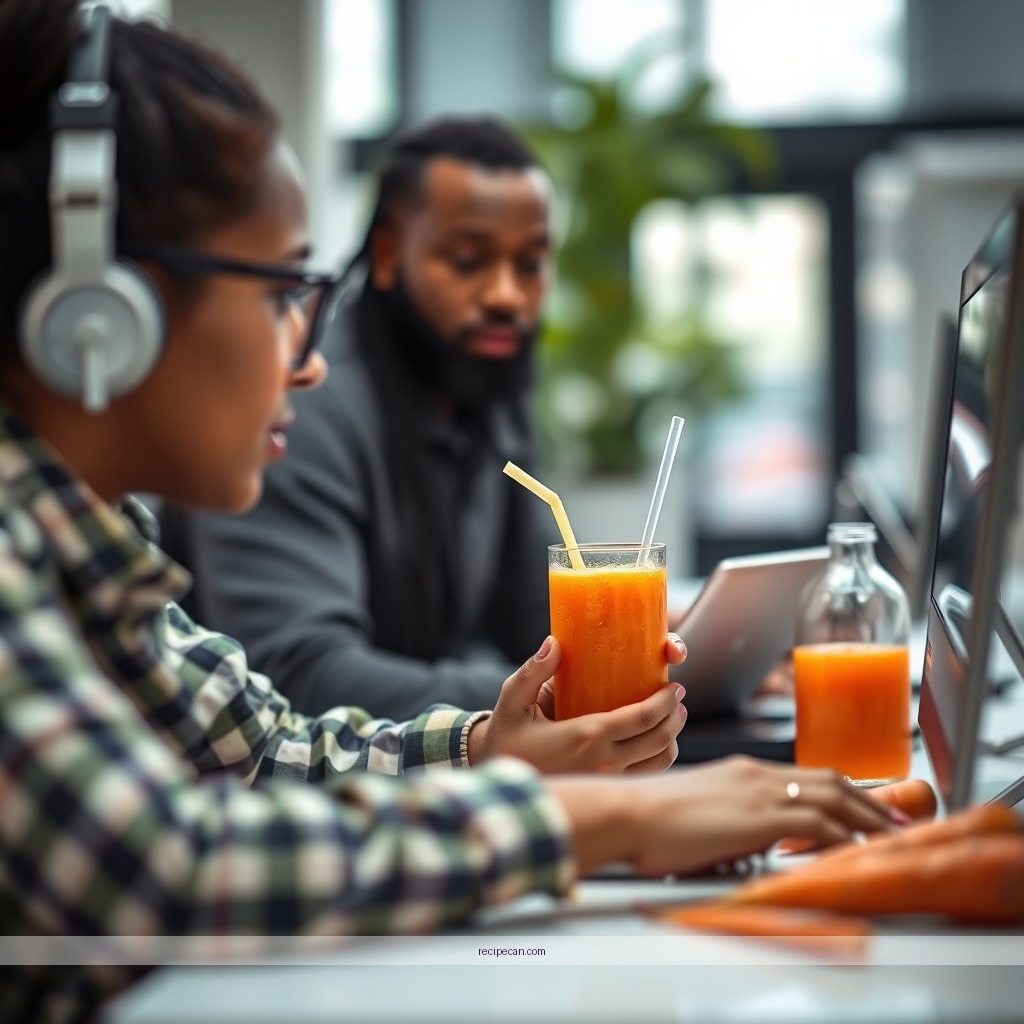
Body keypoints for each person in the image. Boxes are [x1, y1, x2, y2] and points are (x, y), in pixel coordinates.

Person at [0, 5, 901, 1021]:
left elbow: (267, 753)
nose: (307, 354)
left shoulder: (92, 543)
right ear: (101, 314)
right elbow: (161, 870)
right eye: (276, 293)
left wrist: (487, 747)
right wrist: (579, 820)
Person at [157, 115, 568, 719]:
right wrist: (569, 694)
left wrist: (651, 653)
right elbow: (303, 675)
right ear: (387, 255)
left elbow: (538, 617)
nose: (507, 296)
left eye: (530, 265)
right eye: (467, 260)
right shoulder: (297, 409)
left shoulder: (483, 385)